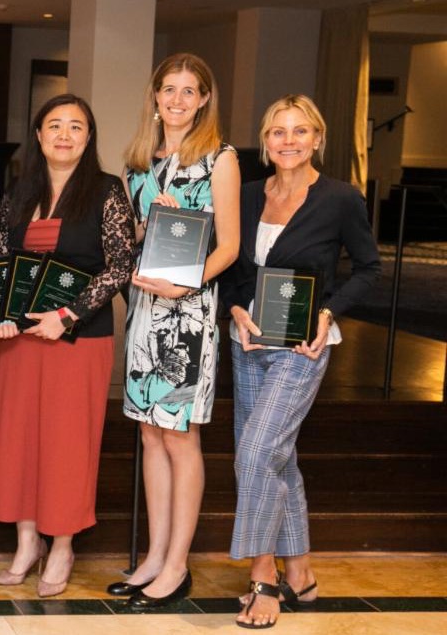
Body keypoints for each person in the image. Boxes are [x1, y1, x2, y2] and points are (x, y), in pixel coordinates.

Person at [222, 95, 379, 629]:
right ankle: (303, 570)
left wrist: (328, 313)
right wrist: (237, 310)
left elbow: (368, 268)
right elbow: (229, 269)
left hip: (302, 348)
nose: (287, 141)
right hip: (248, 344)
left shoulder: (339, 199)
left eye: (299, 131)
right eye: (277, 132)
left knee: (256, 452)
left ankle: (263, 576)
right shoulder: (246, 195)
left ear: (318, 139)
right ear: (265, 142)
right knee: (278, 457)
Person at [0, 94, 134, 597]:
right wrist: (2, 317)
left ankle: (64, 543)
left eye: (76, 126)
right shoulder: (20, 190)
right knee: (20, 436)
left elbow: (120, 264)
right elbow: (1, 256)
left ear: (89, 137)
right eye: (55, 125)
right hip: (21, 340)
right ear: (39, 133)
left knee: (69, 441)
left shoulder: (106, 191)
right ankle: (27, 542)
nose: (65, 134)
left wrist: (67, 315)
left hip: (78, 337)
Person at [112, 52, 240, 610]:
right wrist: (148, 220)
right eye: (169, 89)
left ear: (205, 99)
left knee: (180, 434)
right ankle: (154, 556)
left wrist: (186, 287)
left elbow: (230, 246)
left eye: (190, 91)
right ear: (155, 95)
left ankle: (178, 566)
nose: (178, 100)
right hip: (144, 309)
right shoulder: (139, 161)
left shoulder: (220, 159)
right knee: (149, 431)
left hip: (188, 315)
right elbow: (139, 236)